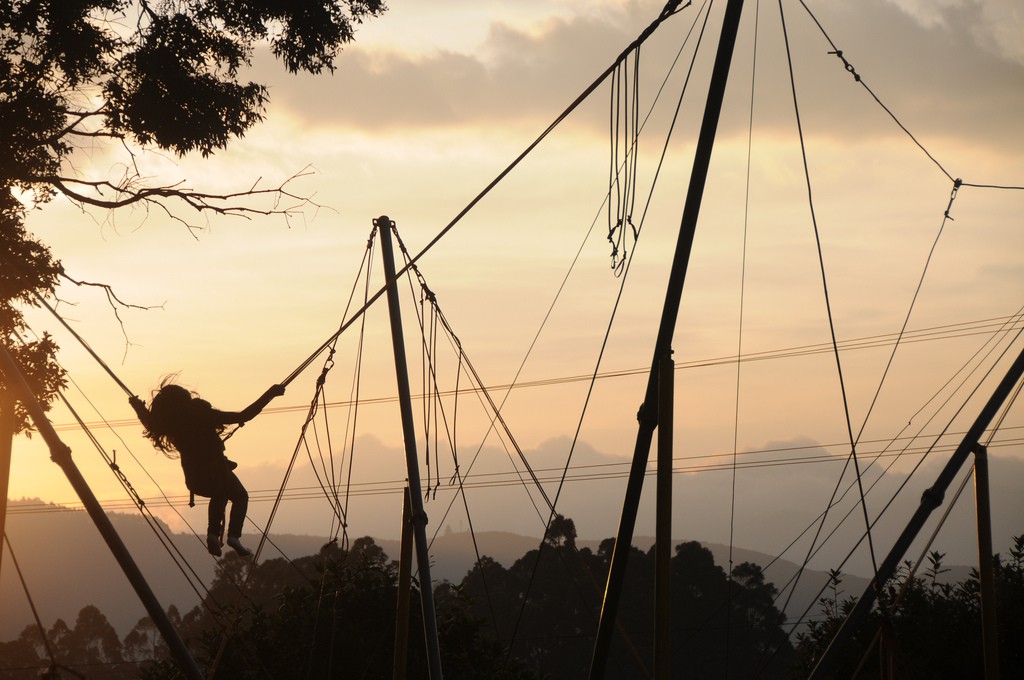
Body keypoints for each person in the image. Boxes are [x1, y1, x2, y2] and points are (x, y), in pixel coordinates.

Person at [130, 379, 285, 557]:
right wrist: (270, 394)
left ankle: (214, 534)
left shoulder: (170, 424)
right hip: (216, 471)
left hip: (194, 479)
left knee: (222, 492)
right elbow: (244, 416)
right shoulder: (202, 414)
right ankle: (231, 536)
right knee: (238, 495)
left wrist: (136, 406)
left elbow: (148, 421)